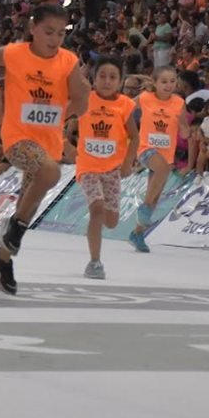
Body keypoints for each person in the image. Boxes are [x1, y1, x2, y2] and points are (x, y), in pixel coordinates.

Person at [0, 3, 88, 295]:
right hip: (17, 138)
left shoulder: (68, 61)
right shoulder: (14, 53)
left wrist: (75, 103)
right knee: (50, 173)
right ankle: (14, 227)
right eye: (48, 32)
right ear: (33, 28)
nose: (55, 39)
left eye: (61, 33)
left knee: (30, 203)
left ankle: (1, 258)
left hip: (49, 141)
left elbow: (81, 102)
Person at [75, 56, 138, 279]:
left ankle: (95, 226)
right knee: (97, 208)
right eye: (102, 76)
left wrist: (128, 161)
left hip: (112, 169)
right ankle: (95, 261)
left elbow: (135, 136)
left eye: (113, 77)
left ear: (120, 81)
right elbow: (62, 113)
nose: (107, 81)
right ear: (94, 79)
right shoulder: (85, 99)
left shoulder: (125, 105)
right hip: (87, 167)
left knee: (111, 222)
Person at [129, 66, 189, 253]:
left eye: (172, 81)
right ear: (155, 83)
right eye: (164, 81)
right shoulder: (146, 98)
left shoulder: (179, 102)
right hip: (146, 148)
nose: (168, 85)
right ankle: (144, 208)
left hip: (166, 154)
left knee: (155, 197)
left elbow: (186, 131)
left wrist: (183, 127)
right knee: (162, 171)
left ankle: (137, 233)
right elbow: (125, 108)